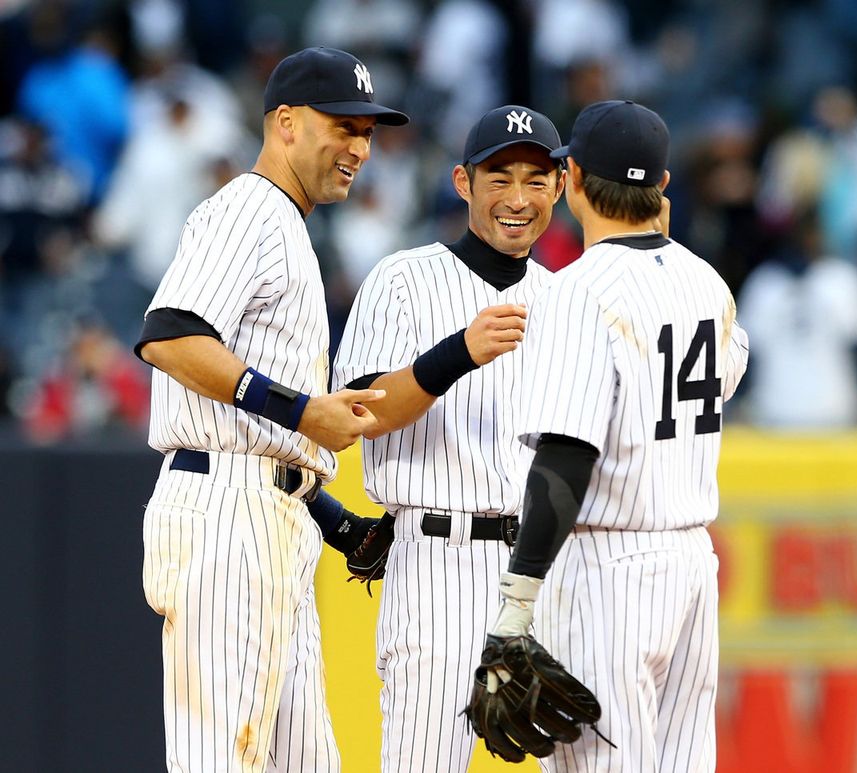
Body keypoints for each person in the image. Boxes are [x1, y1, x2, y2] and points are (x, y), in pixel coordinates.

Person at [134, 47, 408, 772]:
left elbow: (266, 434)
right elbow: (169, 335)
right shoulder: (249, 207)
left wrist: (332, 518)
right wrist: (300, 410)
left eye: (367, 132)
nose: (359, 147)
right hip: (226, 514)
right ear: (285, 122)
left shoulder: (285, 222)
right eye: (342, 126)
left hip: (273, 513)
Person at [473, 100, 749, 771]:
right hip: (689, 565)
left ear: (569, 180)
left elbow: (566, 459)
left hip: (606, 572)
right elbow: (730, 371)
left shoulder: (579, 291)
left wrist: (514, 609)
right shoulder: (705, 281)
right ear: (661, 186)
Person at [331, 105, 565, 771]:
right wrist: (457, 352)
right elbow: (362, 415)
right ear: (463, 183)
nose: (517, 198)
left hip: (542, 566)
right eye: (499, 178)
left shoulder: (569, 298)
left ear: (559, 188)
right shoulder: (403, 278)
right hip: (438, 557)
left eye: (535, 179)